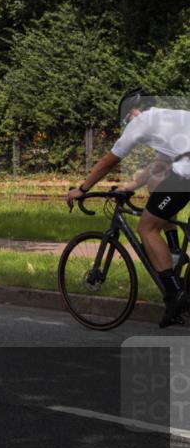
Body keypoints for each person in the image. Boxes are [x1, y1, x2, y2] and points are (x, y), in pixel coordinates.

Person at [66, 89, 190, 328]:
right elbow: (160, 165)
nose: (128, 126)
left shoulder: (140, 122)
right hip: (183, 168)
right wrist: (130, 186)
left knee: (147, 227)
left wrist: (82, 188)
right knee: (158, 189)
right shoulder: (167, 120)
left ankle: (175, 294)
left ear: (134, 112)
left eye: (126, 121)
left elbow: (110, 161)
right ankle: (174, 254)